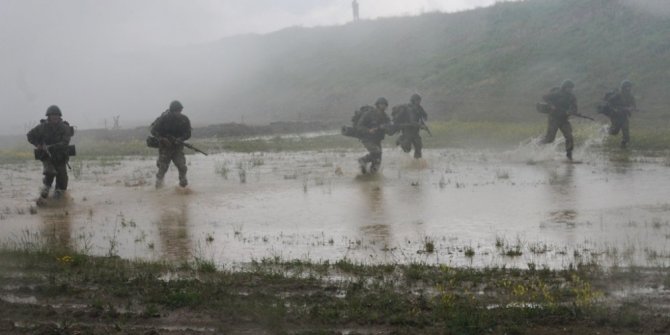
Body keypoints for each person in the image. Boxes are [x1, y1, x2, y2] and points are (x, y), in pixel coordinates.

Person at [27, 105, 74, 199]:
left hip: (60, 156)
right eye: (52, 115)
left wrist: (50, 147)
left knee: (62, 180)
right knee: (49, 173)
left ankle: (58, 200)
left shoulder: (65, 127)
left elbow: (65, 142)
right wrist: (38, 145)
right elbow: (30, 135)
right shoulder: (42, 127)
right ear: (48, 116)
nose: (55, 117)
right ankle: (45, 190)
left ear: (60, 116)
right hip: (47, 156)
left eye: (57, 115)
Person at [151, 100, 192, 188]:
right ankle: (158, 187)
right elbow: (153, 131)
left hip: (177, 147)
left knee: (182, 166)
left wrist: (180, 139)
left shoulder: (184, 119)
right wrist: (163, 139)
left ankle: (183, 184)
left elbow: (188, 134)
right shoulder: (164, 119)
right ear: (172, 111)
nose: (178, 113)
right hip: (165, 148)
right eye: (176, 111)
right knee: (162, 168)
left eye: (179, 111)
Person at [540, 80, 578, 160]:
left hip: (564, 120)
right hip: (554, 118)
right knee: (550, 139)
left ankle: (569, 156)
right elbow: (545, 97)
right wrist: (551, 105)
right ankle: (537, 146)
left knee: (569, 137)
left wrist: (571, 112)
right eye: (569, 88)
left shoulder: (572, 97)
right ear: (565, 87)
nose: (570, 90)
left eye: (571, 88)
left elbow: (575, 108)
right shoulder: (557, 93)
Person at [356, 97, 390, 174]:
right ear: (377, 105)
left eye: (385, 105)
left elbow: (390, 128)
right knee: (376, 152)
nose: (383, 106)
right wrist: (369, 130)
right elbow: (359, 126)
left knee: (378, 161)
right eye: (381, 104)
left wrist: (386, 127)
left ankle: (370, 175)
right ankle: (363, 160)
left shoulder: (385, 117)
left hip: (377, 140)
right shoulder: (369, 114)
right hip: (367, 138)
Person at [392, 93, 428, 159]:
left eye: (419, 100)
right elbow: (412, 121)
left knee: (418, 146)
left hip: (415, 130)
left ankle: (417, 162)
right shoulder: (409, 108)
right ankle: (400, 139)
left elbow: (424, 115)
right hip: (407, 129)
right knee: (407, 149)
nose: (419, 101)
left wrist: (424, 120)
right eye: (417, 100)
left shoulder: (419, 108)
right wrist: (421, 126)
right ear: (413, 100)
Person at [603, 80, 637, 148]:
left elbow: (634, 105)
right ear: (623, 87)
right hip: (615, 116)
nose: (628, 89)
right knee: (614, 131)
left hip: (624, 116)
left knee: (626, 131)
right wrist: (618, 108)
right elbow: (609, 102)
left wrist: (631, 108)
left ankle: (624, 146)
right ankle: (605, 129)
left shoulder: (630, 96)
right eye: (627, 87)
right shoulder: (617, 95)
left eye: (629, 87)